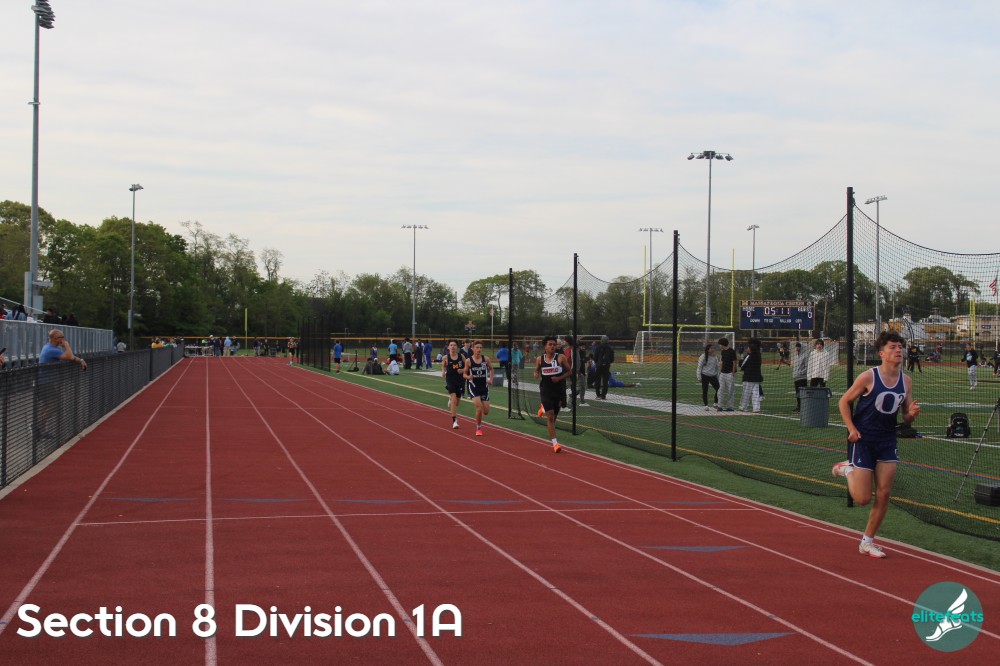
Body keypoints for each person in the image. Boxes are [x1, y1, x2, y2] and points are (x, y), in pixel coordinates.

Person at [833, 331, 920, 558]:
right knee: (862, 499)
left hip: (887, 440)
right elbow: (844, 401)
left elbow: (905, 417)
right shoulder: (868, 377)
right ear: (882, 353)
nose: (898, 350)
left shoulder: (906, 381)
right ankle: (847, 469)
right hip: (864, 439)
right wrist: (851, 429)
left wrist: (911, 415)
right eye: (893, 347)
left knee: (884, 492)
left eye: (900, 346)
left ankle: (867, 542)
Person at [534, 336, 570, 453]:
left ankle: (543, 408)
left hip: (558, 391)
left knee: (553, 418)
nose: (552, 346)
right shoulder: (540, 359)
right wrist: (536, 373)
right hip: (545, 390)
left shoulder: (561, 358)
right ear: (545, 347)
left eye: (554, 344)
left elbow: (570, 371)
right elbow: (537, 369)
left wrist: (559, 378)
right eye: (550, 344)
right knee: (550, 416)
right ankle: (555, 444)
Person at [463, 341, 494, 436]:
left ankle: (479, 416)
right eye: (477, 347)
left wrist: (491, 379)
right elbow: (464, 374)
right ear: (472, 348)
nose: (479, 349)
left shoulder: (486, 359)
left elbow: (491, 369)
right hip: (474, 387)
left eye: (480, 347)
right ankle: (478, 428)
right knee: (479, 408)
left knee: (486, 411)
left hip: (484, 387)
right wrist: (468, 377)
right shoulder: (468, 361)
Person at [442, 340, 466, 429]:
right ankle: (454, 421)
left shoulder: (461, 356)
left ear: (457, 347)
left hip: (459, 380)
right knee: (453, 399)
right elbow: (443, 365)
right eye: (451, 345)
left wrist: (462, 370)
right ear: (448, 347)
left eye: (454, 345)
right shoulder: (446, 357)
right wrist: (443, 371)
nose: (453, 347)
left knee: (457, 402)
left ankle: (451, 400)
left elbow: (467, 366)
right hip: (450, 379)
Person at [738, 337, 763, 413]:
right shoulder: (758, 355)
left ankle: (743, 406)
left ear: (750, 348)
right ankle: (756, 408)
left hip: (748, 377)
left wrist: (741, 359)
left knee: (746, 392)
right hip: (756, 376)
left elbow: (742, 365)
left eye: (748, 347)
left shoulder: (749, 356)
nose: (747, 348)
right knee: (756, 393)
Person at [696, 343, 720, 411]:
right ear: (707, 349)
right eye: (711, 348)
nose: (713, 349)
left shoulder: (715, 357)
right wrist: (699, 377)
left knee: (719, 389)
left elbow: (717, 367)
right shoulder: (703, 356)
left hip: (713, 376)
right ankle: (706, 405)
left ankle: (715, 403)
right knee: (705, 390)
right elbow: (699, 367)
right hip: (705, 375)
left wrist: (718, 376)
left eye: (714, 348)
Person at [593, 335, 614, 400]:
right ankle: (603, 395)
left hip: (599, 366)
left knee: (597, 380)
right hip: (606, 366)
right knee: (605, 381)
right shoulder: (610, 348)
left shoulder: (598, 347)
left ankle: (598, 395)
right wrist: (607, 362)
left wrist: (598, 363)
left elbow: (595, 358)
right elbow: (612, 359)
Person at [792, 342, 809, 412]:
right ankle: (799, 406)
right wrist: (794, 374)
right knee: (798, 393)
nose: (797, 348)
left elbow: (807, 367)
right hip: (796, 378)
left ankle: (803, 407)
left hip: (802, 378)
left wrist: (800, 373)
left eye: (798, 346)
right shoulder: (796, 356)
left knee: (802, 393)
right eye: (796, 346)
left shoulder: (805, 356)